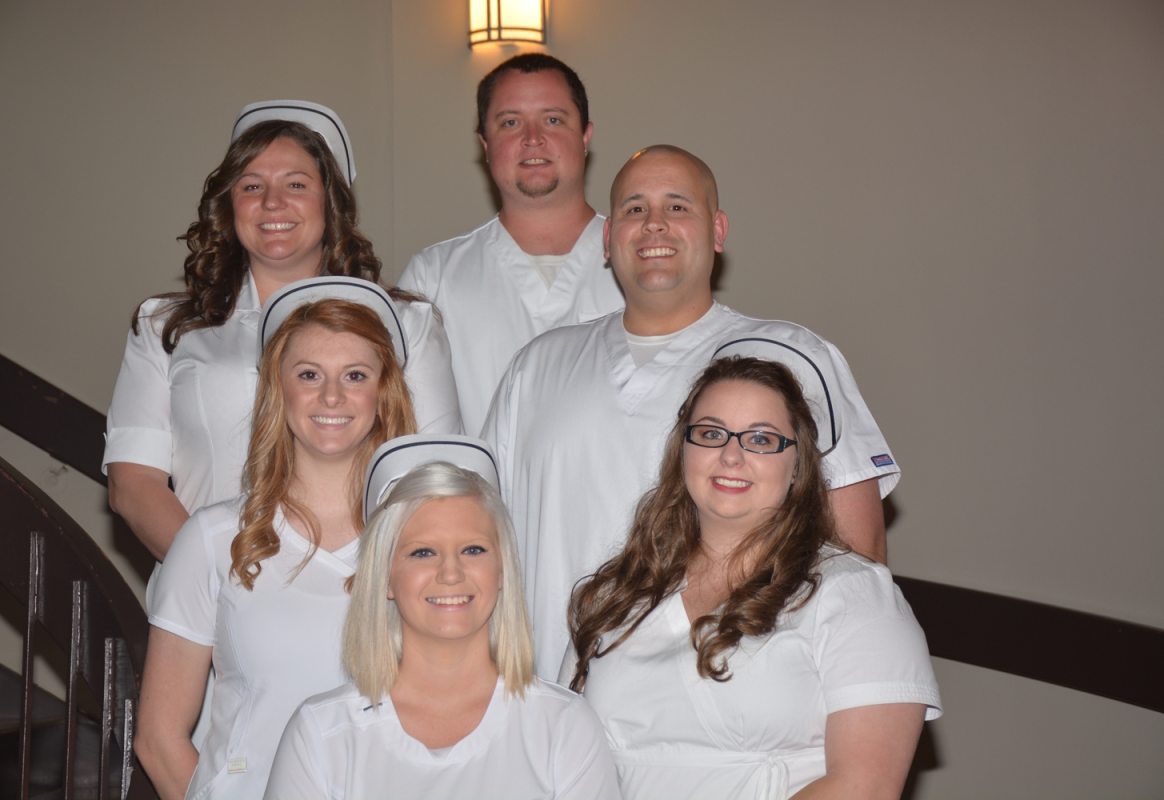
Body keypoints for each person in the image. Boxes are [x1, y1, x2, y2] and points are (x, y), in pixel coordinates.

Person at [483, 145, 899, 679]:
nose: (654, 224)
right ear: (607, 239)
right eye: (634, 208)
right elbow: (480, 533)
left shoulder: (792, 356)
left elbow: (859, 551)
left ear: (718, 231)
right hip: (547, 694)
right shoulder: (536, 365)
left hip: (725, 695)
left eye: (677, 207)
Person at [566, 358, 940, 799]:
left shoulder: (855, 596)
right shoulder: (619, 594)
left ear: (798, 465)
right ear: (682, 451)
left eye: (761, 439)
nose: (731, 455)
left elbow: (865, 787)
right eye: (711, 434)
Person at [105, 100, 461, 562]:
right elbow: (133, 484)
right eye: (252, 185)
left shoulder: (407, 325)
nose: (272, 202)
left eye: (296, 184)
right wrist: (220, 580)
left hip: (361, 589)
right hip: (210, 590)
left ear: (329, 202)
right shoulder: (166, 328)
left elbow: (433, 480)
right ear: (229, 204)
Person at [135, 293, 418, 800]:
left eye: (355, 375)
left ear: (384, 392)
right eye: (309, 374)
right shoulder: (212, 539)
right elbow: (159, 740)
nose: (331, 396)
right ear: (277, 389)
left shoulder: (425, 543)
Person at [264, 435, 621, 800]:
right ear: (384, 576)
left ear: (502, 570)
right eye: (423, 552)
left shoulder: (564, 729)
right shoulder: (321, 736)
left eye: (473, 549)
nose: (451, 573)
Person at [398, 54, 624, 435]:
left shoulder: (641, 261)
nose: (533, 138)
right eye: (510, 122)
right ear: (485, 144)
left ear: (585, 137)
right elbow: (421, 437)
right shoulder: (432, 278)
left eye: (553, 120)